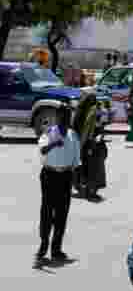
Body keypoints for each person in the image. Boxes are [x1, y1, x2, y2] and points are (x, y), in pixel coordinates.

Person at [37, 103, 80, 264]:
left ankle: (56, 249)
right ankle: (43, 244)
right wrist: (54, 143)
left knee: (62, 213)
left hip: (66, 176)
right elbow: (42, 150)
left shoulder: (73, 135)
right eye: (64, 116)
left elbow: (76, 159)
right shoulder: (49, 132)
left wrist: (75, 179)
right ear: (58, 116)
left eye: (69, 116)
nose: (67, 119)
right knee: (47, 212)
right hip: (49, 175)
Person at [72, 94, 103, 200]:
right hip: (86, 144)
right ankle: (85, 188)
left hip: (81, 143)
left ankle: (80, 187)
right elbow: (87, 130)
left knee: (81, 166)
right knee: (89, 168)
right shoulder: (92, 111)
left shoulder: (80, 111)